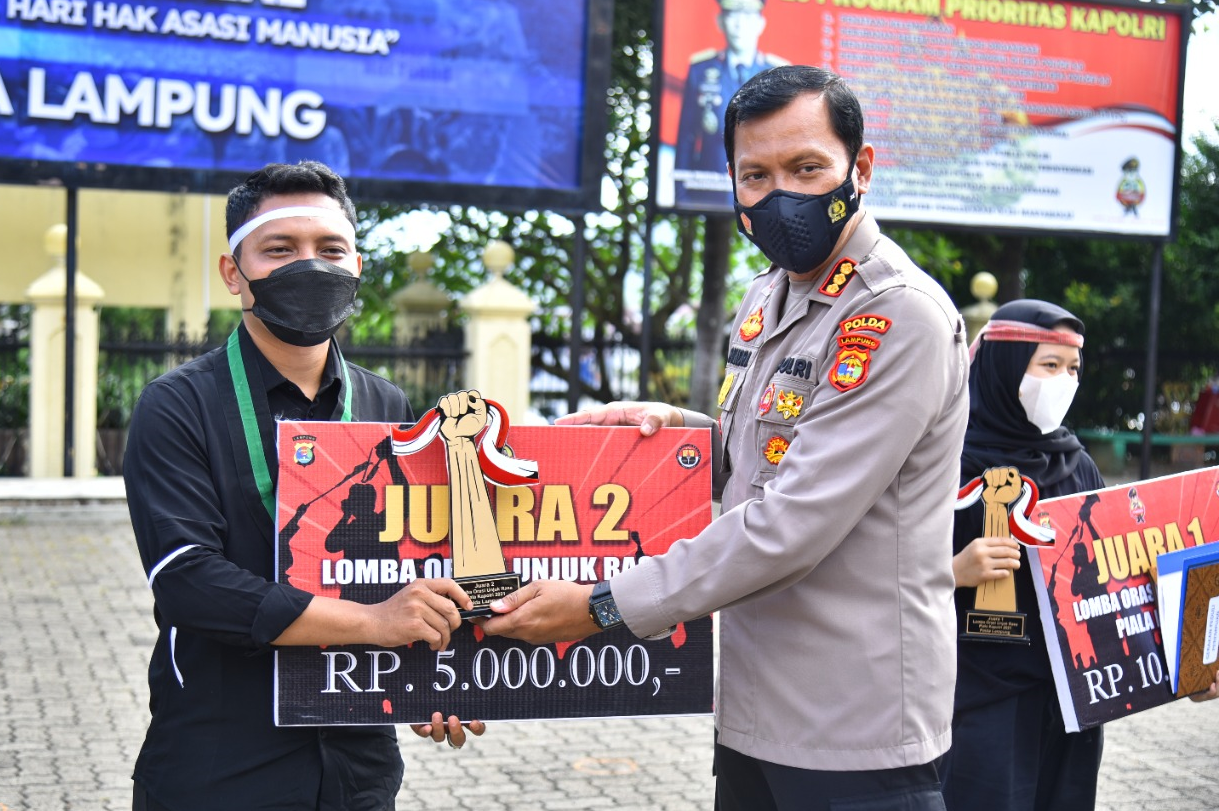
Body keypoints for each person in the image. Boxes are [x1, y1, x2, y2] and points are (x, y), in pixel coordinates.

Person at [481, 65, 970, 809]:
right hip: (753, 705)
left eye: (806, 168)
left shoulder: (895, 316)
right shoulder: (769, 294)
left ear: (860, 169)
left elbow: (793, 521)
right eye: (756, 175)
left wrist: (602, 605)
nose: (781, 196)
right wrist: (679, 438)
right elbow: (770, 455)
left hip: (851, 724)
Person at [123, 161, 482, 811]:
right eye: (280, 250)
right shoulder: (176, 405)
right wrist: (373, 622)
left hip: (357, 764)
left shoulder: (385, 405)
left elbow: (402, 565)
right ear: (233, 272)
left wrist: (434, 679)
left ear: (357, 267)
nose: (309, 266)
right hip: (220, 761)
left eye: (330, 249)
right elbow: (187, 581)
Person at [940, 299, 1219, 811]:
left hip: (1075, 702)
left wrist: (1191, 667)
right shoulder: (945, 462)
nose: (1064, 381)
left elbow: (1127, 582)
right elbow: (885, 569)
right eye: (1049, 365)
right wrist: (952, 571)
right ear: (1005, 367)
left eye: (1073, 368)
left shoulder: (1077, 466)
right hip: (979, 702)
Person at [673, 0, 786, 210]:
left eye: (747, 17)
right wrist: (681, 196)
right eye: (733, 16)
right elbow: (686, 137)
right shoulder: (700, 70)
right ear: (720, 21)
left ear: (760, 24)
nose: (740, 25)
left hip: (763, 193)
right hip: (708, 188)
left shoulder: (778, 74)